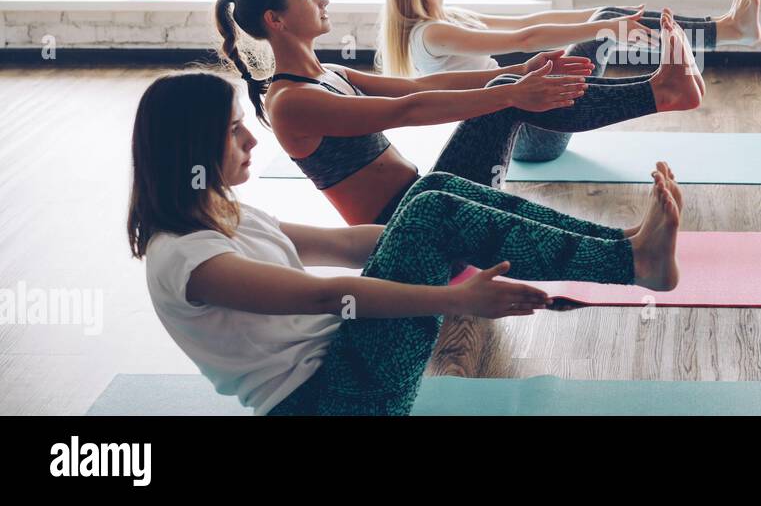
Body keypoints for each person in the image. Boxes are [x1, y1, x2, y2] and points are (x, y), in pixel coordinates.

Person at [128, 71, 683, 415]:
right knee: (431, 209)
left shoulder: (224, 214)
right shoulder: (184, 257)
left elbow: (346, 245)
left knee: (431, 195)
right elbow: (325, 296)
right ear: (190, 147)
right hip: (331, 402)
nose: (252, 138)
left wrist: (442, 237)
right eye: (232, 130)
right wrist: (455, 299)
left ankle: (628, 247)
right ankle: (632, 260)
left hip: (349, 365)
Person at [213, 0, 703, 225]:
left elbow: (422, 84)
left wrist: (523, 72)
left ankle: (662, 91)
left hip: (426, 196)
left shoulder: (330, 71)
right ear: (275, 20)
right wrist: (512, 93)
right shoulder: (291, 102)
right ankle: (661, 92)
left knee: (511, 86)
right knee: (510, 93)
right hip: (408, 227)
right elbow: (408, 109)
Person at [378, 0, 761, 160]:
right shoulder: (430, 34)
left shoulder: (451, 19)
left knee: (605, 18)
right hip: (525, 137)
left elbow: (528, 23)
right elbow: (523, 40)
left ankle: (727, 30)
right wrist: (605, 25)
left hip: (530, 122)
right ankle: (723, 36)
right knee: (603, 25)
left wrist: (601, 15)